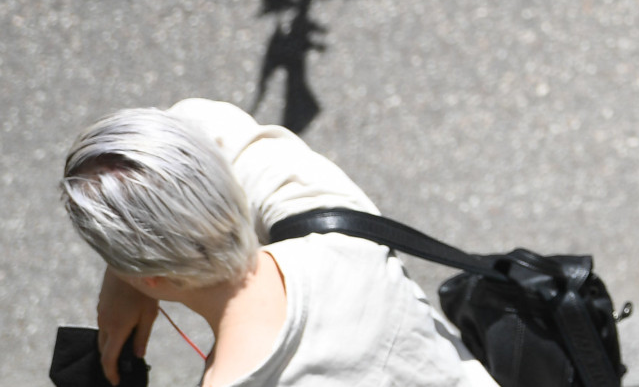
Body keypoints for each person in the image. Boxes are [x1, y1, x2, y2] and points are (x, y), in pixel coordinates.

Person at [61, 99, 494, 386]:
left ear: (152, 277)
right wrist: (125, 274)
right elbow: (200, 120)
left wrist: (122, 278)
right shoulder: (337, 225)